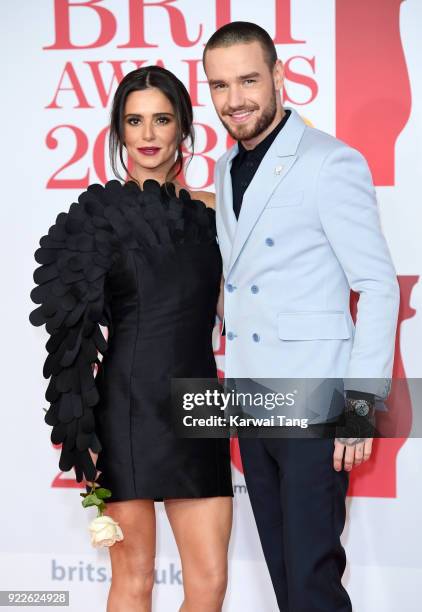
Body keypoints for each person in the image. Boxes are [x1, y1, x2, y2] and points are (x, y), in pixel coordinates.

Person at [203, 22, 399, 612]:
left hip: (315, 399)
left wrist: (360, 407)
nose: (234, 99)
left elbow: (377, 286)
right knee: (287, 580)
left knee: (312, 580)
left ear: (280, 78)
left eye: (248, 80)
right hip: (250, 397)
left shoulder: (329, 161)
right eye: (219, 85)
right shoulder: (223, 167)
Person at [29, 65, 233, 612]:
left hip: (200, 404)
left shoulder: (217, 210)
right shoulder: (97, 219)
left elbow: (235, 305)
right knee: (133, 580)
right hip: (124, 408)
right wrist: (79, 429)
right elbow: (69, 335)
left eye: (161, 119)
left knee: (210, 584)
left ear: (183, 129)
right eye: (134, 121)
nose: (147, 134)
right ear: (119, 132)